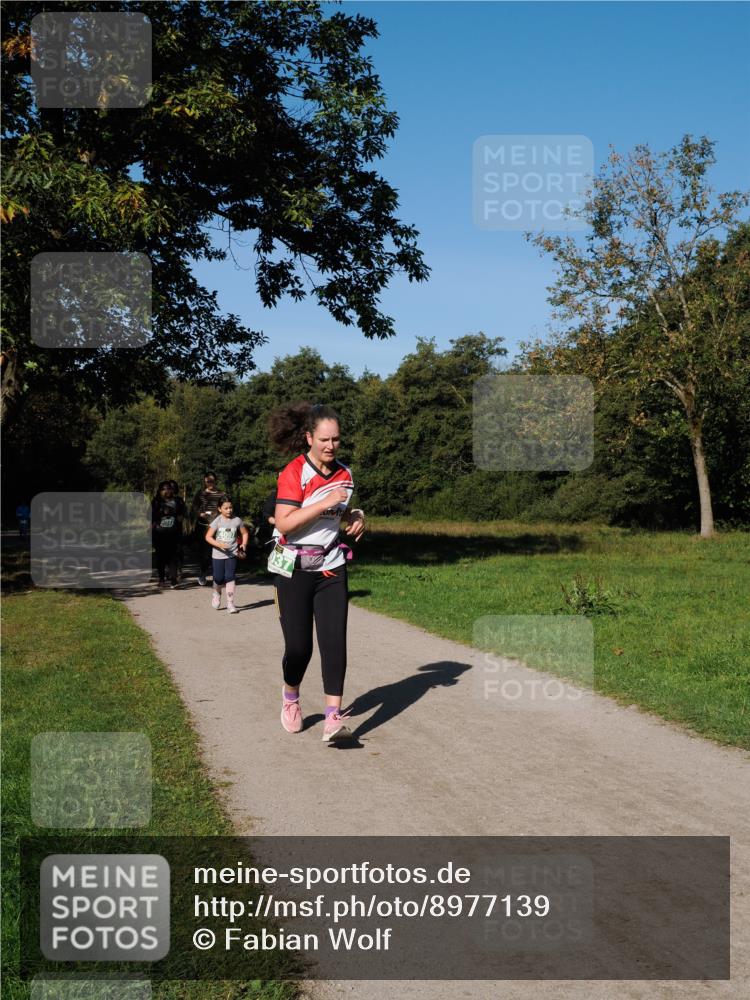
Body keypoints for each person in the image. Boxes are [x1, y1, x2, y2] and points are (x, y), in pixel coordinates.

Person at [267, 402, 365, 743]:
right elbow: (285, 523)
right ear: (309, 437)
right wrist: (324, 503)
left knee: (334, 642)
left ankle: (332, 719)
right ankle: (291, 695)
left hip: (331, 567)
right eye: (324, 439)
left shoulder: (345, 474)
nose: (330, 446)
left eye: (336, 439)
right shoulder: (294, 472)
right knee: (299, 648)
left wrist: (355, 518)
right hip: (293, 568)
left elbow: (341, 512)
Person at [205, 497, 249, 614]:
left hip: (232, 554)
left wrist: (244, 544)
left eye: (230, 507)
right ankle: (216, 593)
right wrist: (219, 544)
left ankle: (230, 603)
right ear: (220, 509)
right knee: (218, 578)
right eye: (226, 508)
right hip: (218, 554)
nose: (229, 510)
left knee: (230, 577)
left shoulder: (237, 520)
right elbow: (208, 537)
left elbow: (244, 533)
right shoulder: (217, 521)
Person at [191, 471, 227, 586]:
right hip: (204, 526)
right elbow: (194, 508)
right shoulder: (200, 494)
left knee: (220, 550)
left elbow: (227, 506)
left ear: (215, 480)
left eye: (212, 481)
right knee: (205, 553)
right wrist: (199, 514)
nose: (210, 483)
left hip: (219, 526)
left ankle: (219, 576)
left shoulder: (222, 494)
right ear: (204, 481)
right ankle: (203, 573)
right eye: (207, 481)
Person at [151, 481, 183, 588]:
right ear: (160, 491)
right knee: (160, 558)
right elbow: (150, 517)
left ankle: (173, 579)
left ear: (172, 490)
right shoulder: (156, 502)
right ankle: (161, 579)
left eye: (168, 489)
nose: (166, 491)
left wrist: (179, 516)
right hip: (159, 534)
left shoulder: (177, 501)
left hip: (173, 534)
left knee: (173, 557)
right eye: (163, 489)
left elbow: (182, 514)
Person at [167, 480, 188, 582]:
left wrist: (181, 516)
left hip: (177, 530)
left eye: (172, 488)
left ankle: (179, 570)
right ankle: (169, 570)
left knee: (178, 551)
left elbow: (185, 512)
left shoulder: (179, 500)